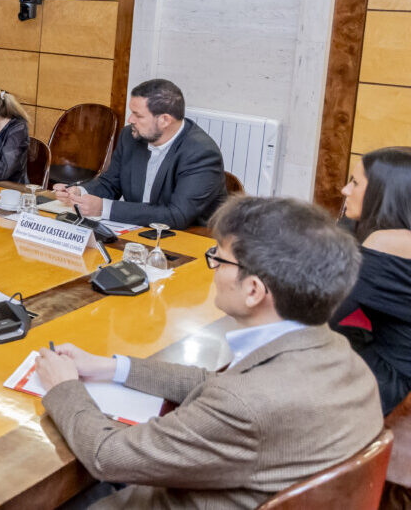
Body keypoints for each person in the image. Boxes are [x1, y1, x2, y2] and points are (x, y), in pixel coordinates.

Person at [35, 196, 382, 508]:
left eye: (218, 258)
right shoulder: (337, 351)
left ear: (253, 290)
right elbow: (215, 383)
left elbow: (106, 456)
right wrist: (113, 367)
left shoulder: (245, 404)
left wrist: (64, 387)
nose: (213, 268)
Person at [54, 79, 226, 229]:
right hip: (136, 233)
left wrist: (104, 208)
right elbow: (110, 184)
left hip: (187, 242)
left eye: (138, 115)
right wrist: (80, 192)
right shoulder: (130, 137)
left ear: (165, 120)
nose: (130, 120)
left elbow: (177, 215)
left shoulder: (201, 153)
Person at [330, 146, 411, 415]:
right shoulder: (388, 232)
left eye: (354, 183)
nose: (344, 190)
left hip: (389, 376)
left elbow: (326, 310)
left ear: (384, 193)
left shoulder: (387, 242)